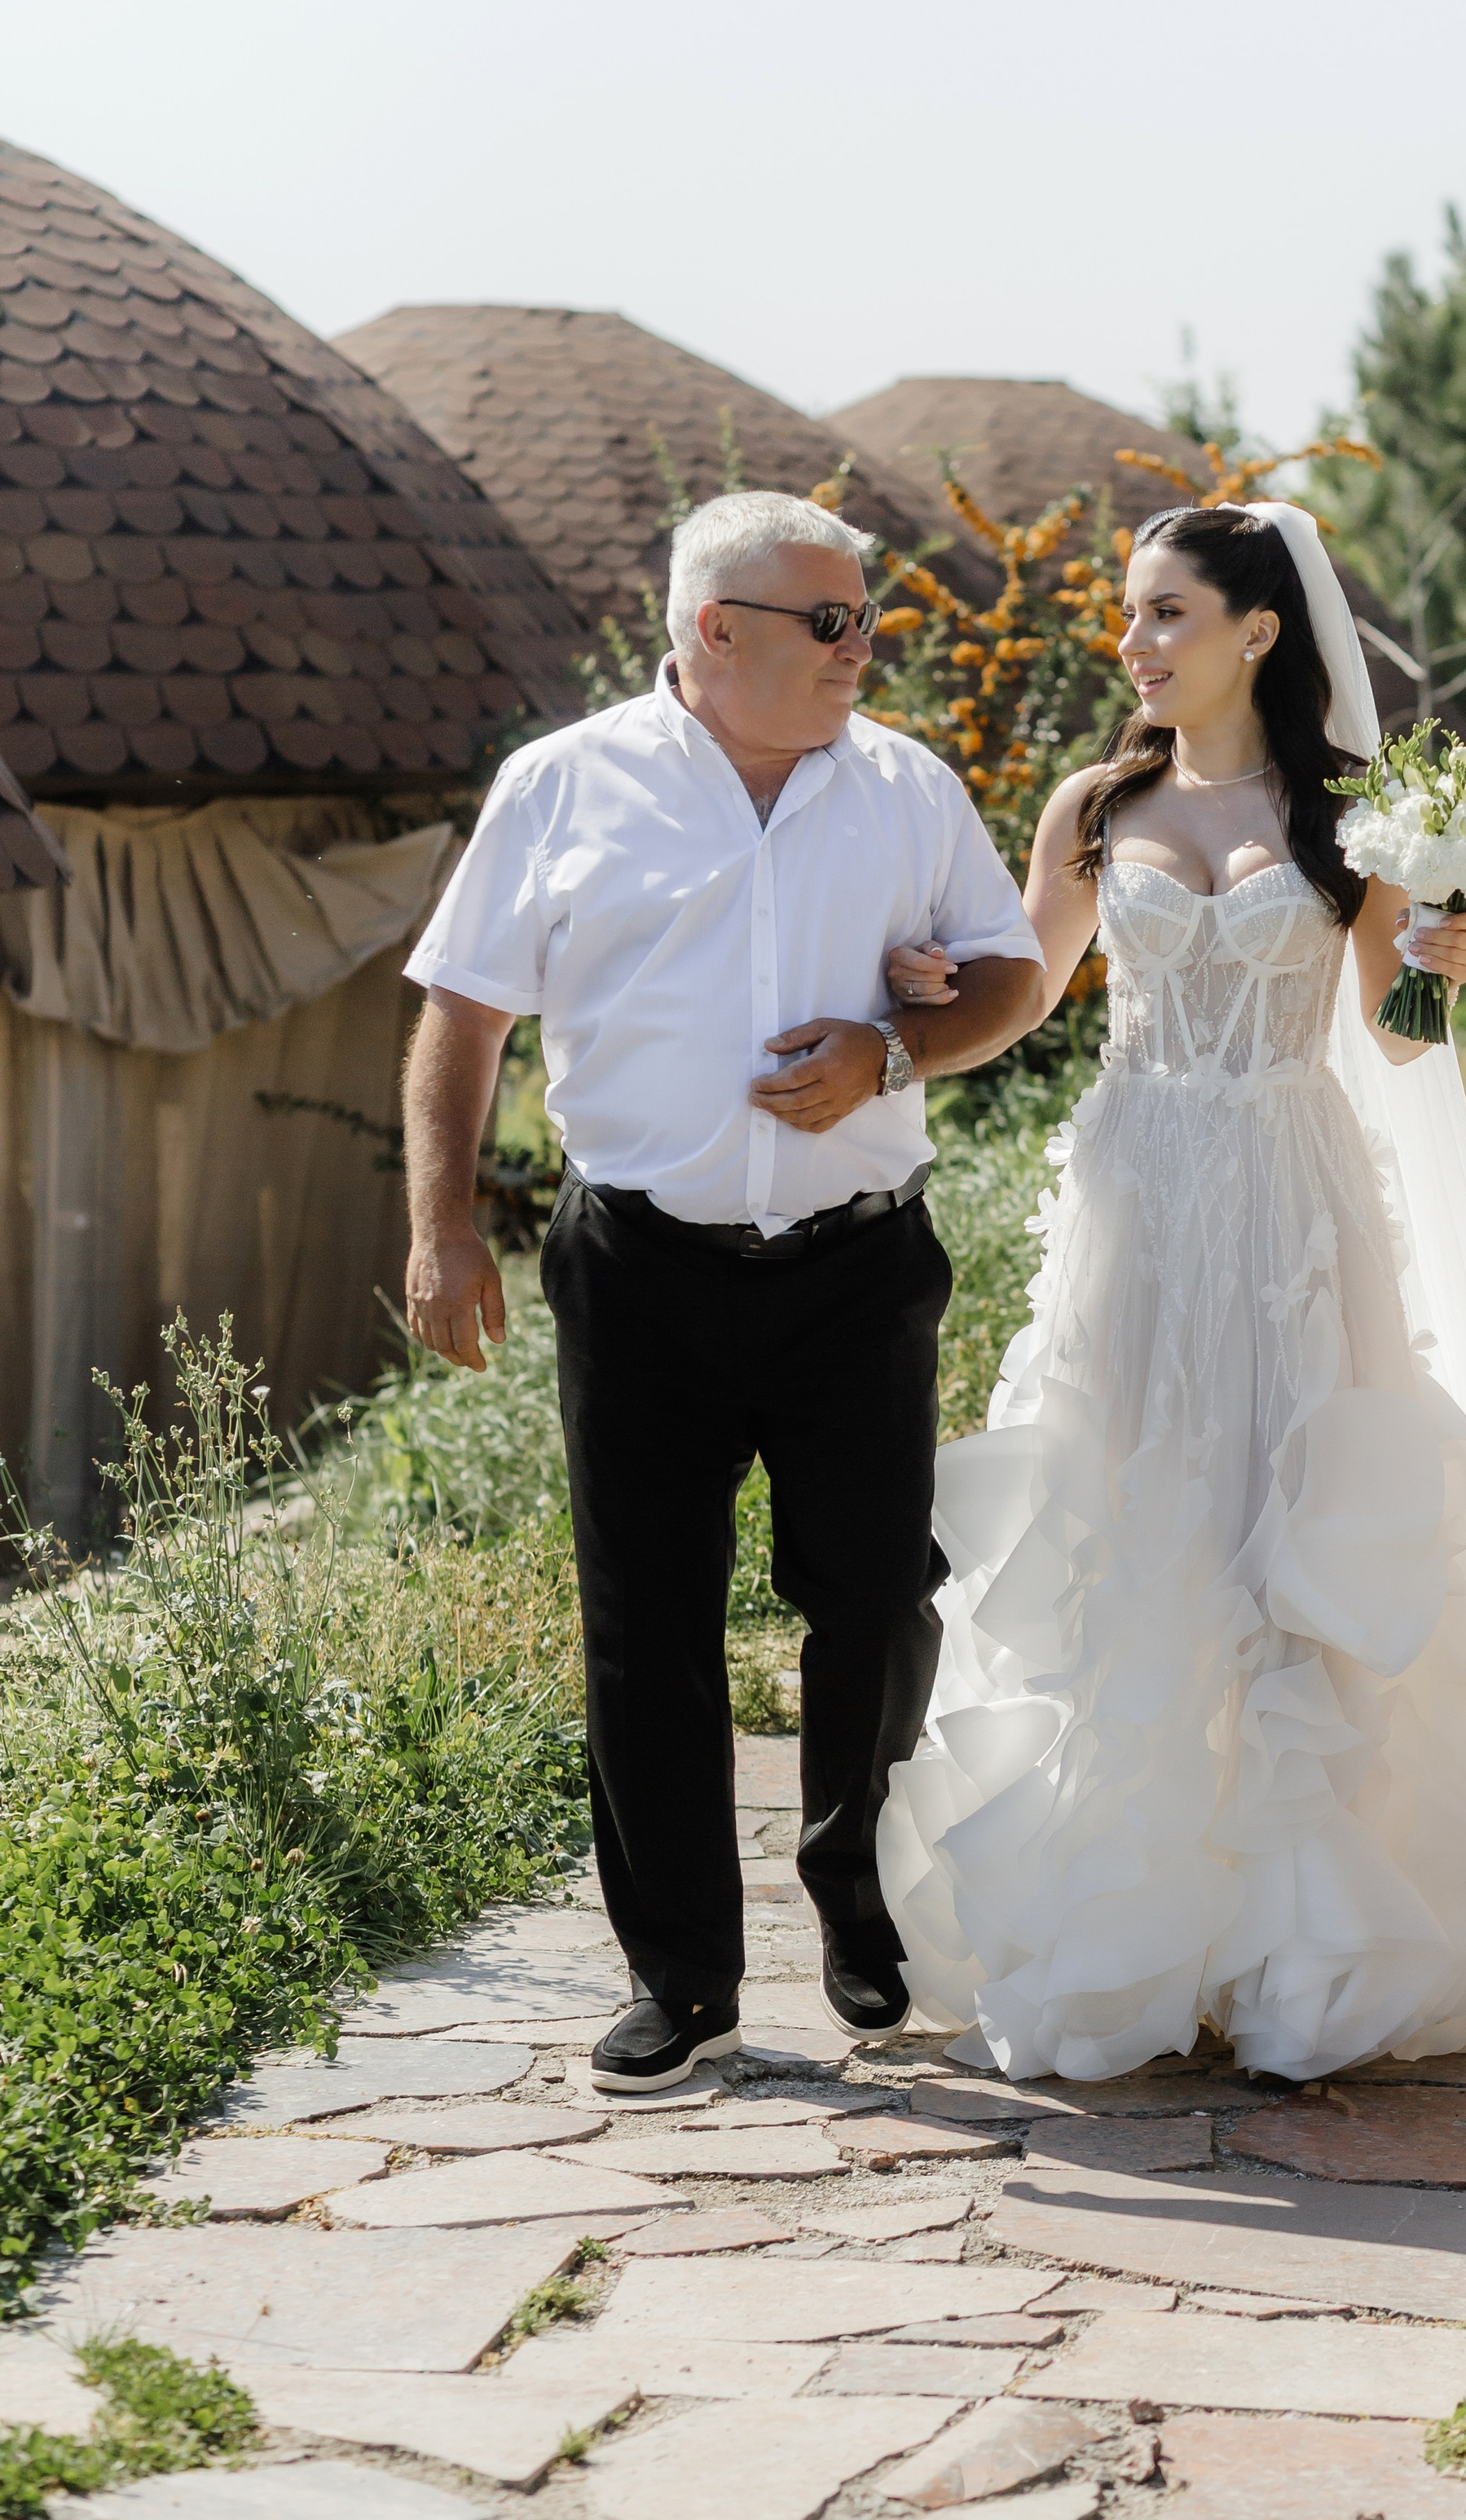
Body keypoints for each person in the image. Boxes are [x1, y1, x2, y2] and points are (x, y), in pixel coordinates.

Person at [877, 498, 1466, 2084]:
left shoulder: (1346, 812)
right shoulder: (1095, 800)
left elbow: (1397, 1031)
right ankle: (1132, 1909)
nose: (1130, 642)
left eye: (1162, 613)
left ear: (1255, 629)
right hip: (1134, 1202)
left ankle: (1300, 1937)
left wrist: (1441, 951)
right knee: (1131, 1526)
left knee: (1289, 1537)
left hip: (1290, 1200)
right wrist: (913, 1007)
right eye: (1129, 614)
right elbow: (1021, 987)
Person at [399, 490, 1045, 2093]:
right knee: (650, 1632)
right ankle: (681, 1979)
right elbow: (462, 1016)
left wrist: (896, 1044)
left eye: (866, 622)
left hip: (857, 1268)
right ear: (714, 631)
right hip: (639, 1272)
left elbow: (1015, 973)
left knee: (878, 1592)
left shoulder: (905, 784)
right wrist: (441, 1229)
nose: (861, 649)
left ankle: (858, 1884)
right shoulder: (560, 786)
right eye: (830, 622)